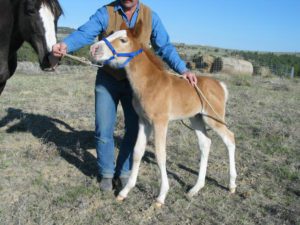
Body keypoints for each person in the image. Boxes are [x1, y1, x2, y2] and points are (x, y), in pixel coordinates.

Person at [52, 0, 197, 191]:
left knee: (134, 129)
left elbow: (164, 46)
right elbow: (86, 32)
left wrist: (183, 69)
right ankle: (106, 173)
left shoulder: (150, 16)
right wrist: (66, 44)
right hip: (108, 78)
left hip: (136, 84)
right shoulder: (106, 12)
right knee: (103, 128)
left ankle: (124, 171)